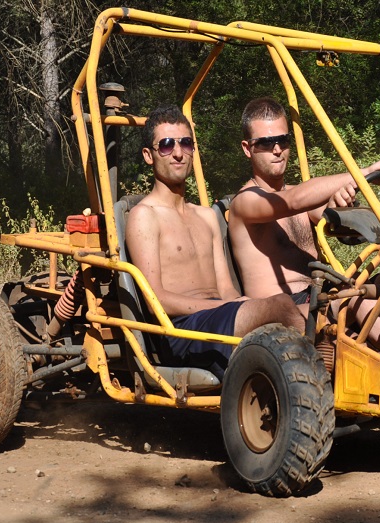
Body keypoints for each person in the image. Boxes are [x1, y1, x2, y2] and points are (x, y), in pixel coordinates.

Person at [229, 97, 380, 369]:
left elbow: (331, 216)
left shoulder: (298, 196)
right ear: (247, 149)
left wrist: (347, 198)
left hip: (321, 295)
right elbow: (295, 200)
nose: (277, 149)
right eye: (265, 143)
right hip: (282, 313)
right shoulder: (246, 203)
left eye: (283, 140)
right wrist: (363, 172)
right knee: (355, 296)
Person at [125, 104, 304, 377]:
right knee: (282, 307)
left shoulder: (206, 216)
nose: (177, 153)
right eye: (166, 145)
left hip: (218, 318)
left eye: (185, 143)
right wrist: (227, 306)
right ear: (149, 155)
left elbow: (226, 289)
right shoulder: (144, 216)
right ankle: (326, 381)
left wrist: (239, 302)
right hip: (181, 329)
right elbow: (156, 300)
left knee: (314, 308)